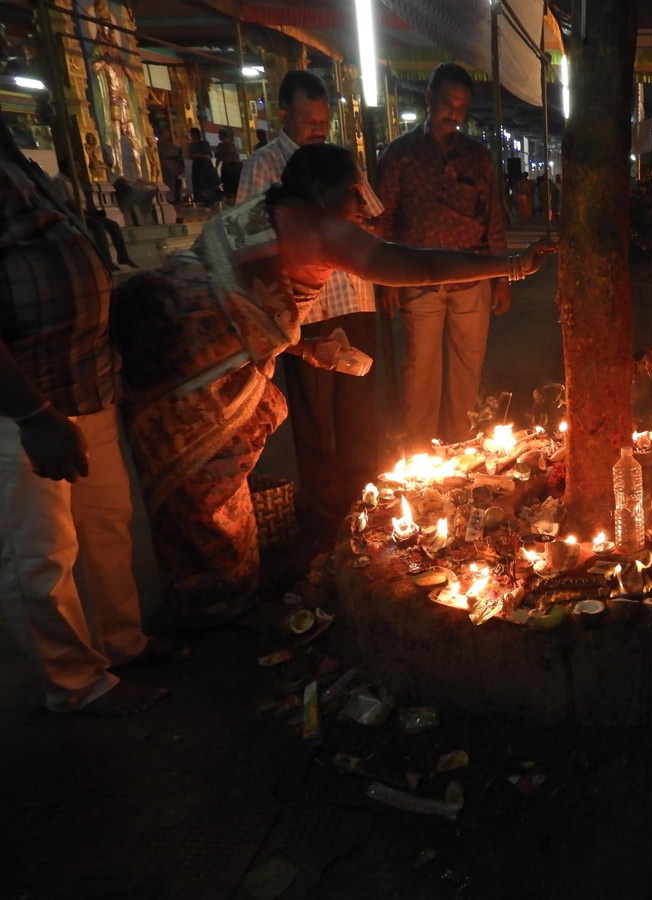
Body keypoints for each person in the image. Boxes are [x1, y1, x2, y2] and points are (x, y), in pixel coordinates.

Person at [111, 144, 555, 627]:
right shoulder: (322, 231)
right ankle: (221, 615)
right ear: (322, 193)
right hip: (193, 371)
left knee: (182, 493)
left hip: (154, 345)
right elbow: (420, 267)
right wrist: (512, 265)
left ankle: (194, 604)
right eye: (351, 192)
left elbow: (243, 307)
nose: (359, 206)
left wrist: (303, 346)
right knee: (207, 494)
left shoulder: (258, 211)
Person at [0, 120, 184, 718]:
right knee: (43, 551)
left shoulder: (17, 161)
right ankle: (76, 681)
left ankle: (120, 643)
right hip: (27, 404)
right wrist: (32, 413)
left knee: (107, 523)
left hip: (88, 384)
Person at [238, 70, 385, 529]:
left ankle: (363, 498)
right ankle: (324, 507)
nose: (317, 130)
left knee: (358, 406)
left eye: (322, 122)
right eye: (308, 121)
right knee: (313, 414)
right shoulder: (263, 165)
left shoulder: (342, 163)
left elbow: (376, 219)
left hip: (351, 297)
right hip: (303, 311)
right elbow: (248, 241)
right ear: (284, 113)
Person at [376, 63, 510, 446]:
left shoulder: (477, 157)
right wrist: (385, 282)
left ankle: (459, 445)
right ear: (429, 97)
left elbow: (493, 220)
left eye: (463, 107)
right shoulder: (400, 155)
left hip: (471, 279)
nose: (455, 113)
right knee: (421, 368)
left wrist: (501, 280)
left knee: (468, 368)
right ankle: (419, 450)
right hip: (418, 279)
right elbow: (383, 220)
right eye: (449, 103)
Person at [50, 156, 137, 269]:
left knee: (113, 225)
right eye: (76, 166)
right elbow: (65, 203)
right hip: (72, 214)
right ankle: (106, 259)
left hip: (84, 211)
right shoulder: (59, 181)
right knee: (98, 226)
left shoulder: (74, 181)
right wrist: (83, 211)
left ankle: (123, 256)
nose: (79, 169)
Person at [186, 127, 220, 205]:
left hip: (204, 166)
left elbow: (208, 155)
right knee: (201, 183)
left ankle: (208, 199)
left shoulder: (201, 144)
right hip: (200, 166)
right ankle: (204, 199)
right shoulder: (194, 145)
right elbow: (192, 155)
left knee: (205, 183)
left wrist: (201, 156)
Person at [156, 130, 185, 203]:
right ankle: (170, 198)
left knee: (173, 183)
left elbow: (176, 153)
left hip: (172, 167)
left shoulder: (169, 144)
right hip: (166, 166)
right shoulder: (161, 144)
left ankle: (172, 198)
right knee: (169, 183)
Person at [214, 127, 241, 200]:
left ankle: (231, 201)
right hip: (235, 168)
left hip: (227, 168)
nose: (218, 136)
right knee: (234, 187)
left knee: (228, 187)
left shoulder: (221, 146)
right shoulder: (232, 145)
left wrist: (215, 168)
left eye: (219, 135)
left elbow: (218, 158)